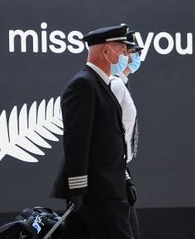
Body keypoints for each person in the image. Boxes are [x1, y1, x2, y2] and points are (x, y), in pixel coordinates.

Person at [50, 24, 134, 239]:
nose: (126, 56)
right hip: (97, 192)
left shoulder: (101, 84)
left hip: (109, 187)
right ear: (107, 51)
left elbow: (111, 141)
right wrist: (78, 188)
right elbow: (76, 142)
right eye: (122, 50)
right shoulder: (83, 84)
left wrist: (125, 179)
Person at [109, 30, 144, 239]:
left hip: (119, 170)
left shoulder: (121, 83)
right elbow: (109, 136)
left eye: (134, 52)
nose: (133, 57)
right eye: (130, 51)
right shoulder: (114, 85)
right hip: (110, 173)